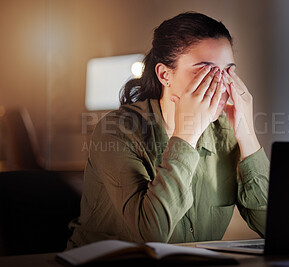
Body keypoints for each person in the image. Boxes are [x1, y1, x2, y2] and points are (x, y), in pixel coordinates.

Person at [67, 12, 269, 249]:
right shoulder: (118, 130)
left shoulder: (224, 133)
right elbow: (152, 233)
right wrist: (187, 134)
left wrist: (247, 134)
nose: (221, 84)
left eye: (228, 72)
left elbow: (271, 227)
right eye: (207, 71)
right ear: (165, 75)